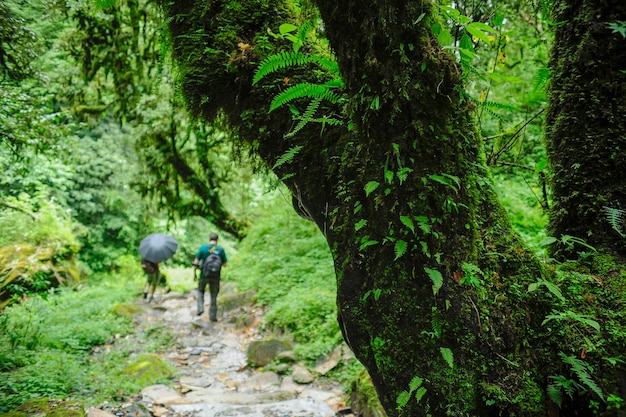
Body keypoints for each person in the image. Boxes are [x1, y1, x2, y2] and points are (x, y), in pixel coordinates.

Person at [192, 232, 227, 321]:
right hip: (216, 276)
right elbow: (225, 264)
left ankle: (200, 309)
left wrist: (195, 273)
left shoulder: (203, 248)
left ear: (209, 239)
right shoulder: (220, 250)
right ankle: (213, 316)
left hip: (204, 275)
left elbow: (195, 262)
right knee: (214, 296)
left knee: (200, 291)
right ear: (217, 240)